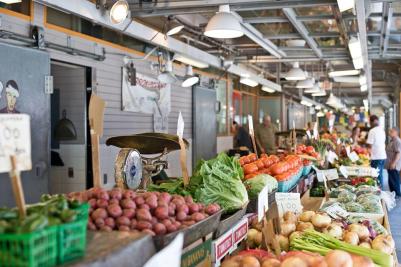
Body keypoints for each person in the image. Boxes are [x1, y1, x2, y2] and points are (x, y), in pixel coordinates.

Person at [366, 115, 387, 188]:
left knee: (376, 175)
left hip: (376, 157)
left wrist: (367, 155)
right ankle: (380, 190)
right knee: (379, 174)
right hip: (382, 156)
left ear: (371, 122)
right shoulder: (382, 130)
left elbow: (369, 145)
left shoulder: (372, 131)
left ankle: (379, 191)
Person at [385, 127, 401, 197]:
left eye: (391, 131)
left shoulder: (397, 141)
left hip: (394, 165)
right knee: (391, 180)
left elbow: (398, 153)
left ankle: (397, 194)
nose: (389, 132)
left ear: (396, 132)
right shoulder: (392, 140)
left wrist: (394, 163)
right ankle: (393, 194)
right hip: (390, 164)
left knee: (394, 179)